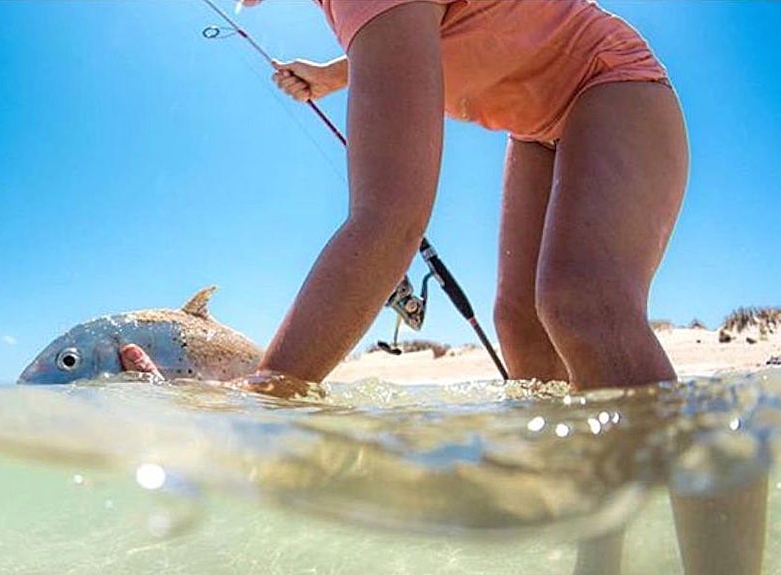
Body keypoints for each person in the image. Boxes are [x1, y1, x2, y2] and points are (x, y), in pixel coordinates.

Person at [122, 1, 765, 574]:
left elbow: (390, 220)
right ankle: (598, 557)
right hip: (540, 127)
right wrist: (331, 72)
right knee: (523, 328)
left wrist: (263, 401)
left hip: (611, 85)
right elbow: (431, 29)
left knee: (580, 302)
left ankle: (719, 449)